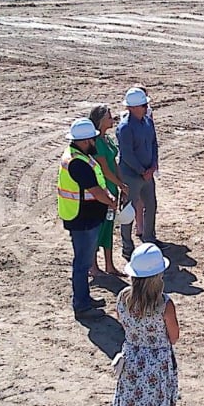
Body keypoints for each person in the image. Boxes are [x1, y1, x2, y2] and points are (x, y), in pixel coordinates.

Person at [110, 243, 179, 406]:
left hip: (131, 360)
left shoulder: (122, 299)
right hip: (156, 366)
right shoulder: (164, 304)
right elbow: (174, 336)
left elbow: (124, 325)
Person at [58, 117, 118, 315]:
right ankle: (81, 304)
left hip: (83, 217)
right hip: (82, 220)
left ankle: (84, 299)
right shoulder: (77, 163)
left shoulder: (78, 155)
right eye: (92, 139)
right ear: (84, 141)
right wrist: (109, 200)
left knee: (82, 262)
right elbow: (94, 190)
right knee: (82, 264)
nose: (95, 142)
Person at [117, 87, 159, 258]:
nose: (145, 107)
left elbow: (154, 143)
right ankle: (127, 247)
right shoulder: (124, 128)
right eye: (142, 105)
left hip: (146, 174)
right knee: (128, 212)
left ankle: (149, 239)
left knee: (151, 205)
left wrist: (153, 165)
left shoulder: (148, 122)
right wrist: (143, 171)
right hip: (131, 176)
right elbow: (127, 155)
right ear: (132, 108)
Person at [88, 104, 128, 277]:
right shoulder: (96, 142)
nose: (113, 120)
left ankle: (109, 265)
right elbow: (104, 169)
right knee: (99, 227)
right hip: (102, 191)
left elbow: (114, 163)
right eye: (109, 117)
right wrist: (120, 184)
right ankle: (94, 266)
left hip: (112, 188)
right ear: (101, 121)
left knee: (109, 226)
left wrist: (121, 183)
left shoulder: (107, 140)